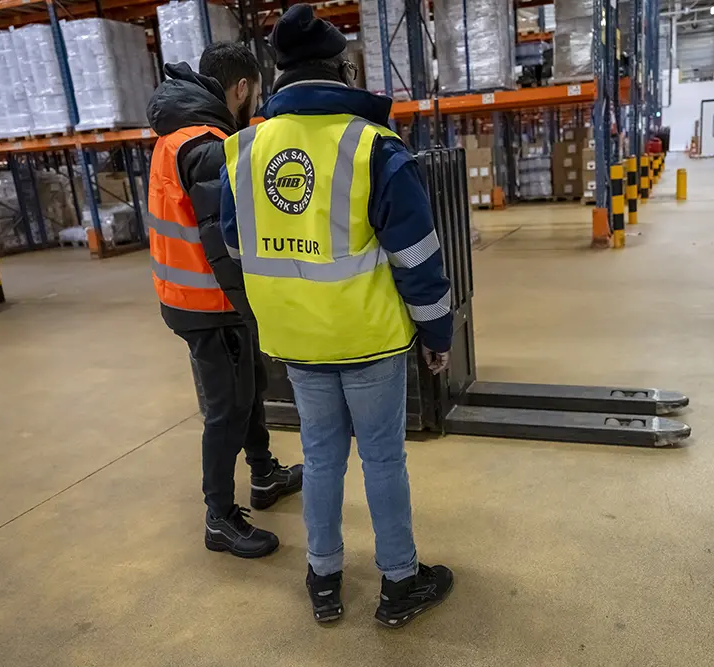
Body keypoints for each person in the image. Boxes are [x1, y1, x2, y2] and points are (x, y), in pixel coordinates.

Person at [220, 4, 454, 627]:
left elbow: (238, 248)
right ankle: (399, 583)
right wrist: (436, 333)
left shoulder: (243, 151)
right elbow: (417, 259)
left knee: (321, 458)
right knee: (382, 460)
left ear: (280, 73)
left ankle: (323, 579)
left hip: (297, 341)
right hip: (368, 338)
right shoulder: (374, 149)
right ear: (343, 71)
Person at [146, 42, 302, 559]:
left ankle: (264, 474)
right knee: (227, 409)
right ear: (241, 88)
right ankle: (219, 518)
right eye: (254, 94)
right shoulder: (205, 145)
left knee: (247, 388)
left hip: (200, 296)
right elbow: (221, 240)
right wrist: (254, 305)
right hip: (207, 301)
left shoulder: (182, 133)